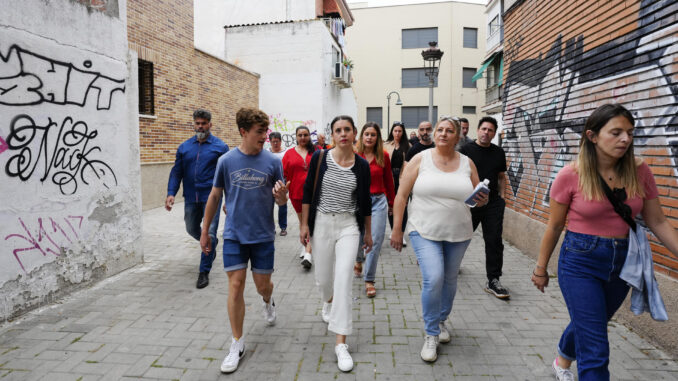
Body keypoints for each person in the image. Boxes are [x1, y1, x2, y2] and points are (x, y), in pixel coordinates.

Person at [531, 103, 678, 381]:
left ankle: (563, 356)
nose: (626, 139)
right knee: (596, 346)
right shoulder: (569, 175)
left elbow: (658, 221)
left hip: (623, 262)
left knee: (592, 324)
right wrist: (541, 268)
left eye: (630, 132)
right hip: (580, 261)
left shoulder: (640, 171)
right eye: (617, 132)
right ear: (592, 135)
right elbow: (554, 225)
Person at [390, 117, 487, 362]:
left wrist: (482, 199)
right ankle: (431, 332)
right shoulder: (419, 160)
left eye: (449, 130)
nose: (443, 134)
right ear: (434, 134)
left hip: (459, 232)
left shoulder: (467, 163)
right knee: (434, 278)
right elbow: (401, 196)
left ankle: (442, 320)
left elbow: (476, 197)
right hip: (423, 230)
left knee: (450, 280)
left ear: (458, 137)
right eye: (440, 129)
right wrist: (397, 229)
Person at [200, 108, 288, 374]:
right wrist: (206, 231)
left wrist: (282, 196)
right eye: (259, 132)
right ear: (243, 132)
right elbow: (215, 196)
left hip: (262, 236)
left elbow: (281, 199)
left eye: (265, 131)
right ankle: (237, 342)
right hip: (234, 235)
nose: (265, 136)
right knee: (236, 285)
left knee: (263, 286)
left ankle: (268, 301)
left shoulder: (273, 162)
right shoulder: (226, 161)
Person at [300, 115, 373, 372]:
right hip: (321, 223)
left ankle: (341, 342)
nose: (343, 133)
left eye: (347, 129)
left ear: (354, 134)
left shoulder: (362, 166)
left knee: (344, 280)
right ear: (333, 134)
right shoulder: (320, 159)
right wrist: (304, 224)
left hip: (348, 227)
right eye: (338, 130)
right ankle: (327, 300)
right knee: (322, 279)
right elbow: (308, 192)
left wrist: (368, 233)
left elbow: (365, 202)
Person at [166, 109, 228, 289]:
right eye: (197, 123)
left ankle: (203, 271)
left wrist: (228, 200)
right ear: (193, 124)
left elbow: (226, 175)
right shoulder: (184, 147)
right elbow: (176, 172)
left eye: (204, 123)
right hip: (191, 197)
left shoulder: (220, 147)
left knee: (209, 232)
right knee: (191, 228)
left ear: (210, 124)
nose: (200, 126)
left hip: (212, 198)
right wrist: (171, 192)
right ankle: (211, 246)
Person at [459, 116, 509, 299]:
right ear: (478, 130)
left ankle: (493, 280)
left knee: (494, 240)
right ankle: (451, 265)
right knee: (460, 236)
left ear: (494, 133)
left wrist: (502, 198)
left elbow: (502, 176)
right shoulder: (465, 150)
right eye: (483, 129)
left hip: (492, 203)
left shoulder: (498, 152)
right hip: (470, 202)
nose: (486, 133)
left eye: (490, 130)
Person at [354, 122, 395, 297]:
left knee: (375, 240)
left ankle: (369, 280)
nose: (369, 137)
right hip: (357, 201)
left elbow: (389, 181)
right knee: (357, 236)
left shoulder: (383, 156)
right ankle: (358, 259)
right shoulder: (355, 155)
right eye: (367, 134)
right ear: (362, 136)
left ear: (377, 137)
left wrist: (392, 203)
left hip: (378, 201)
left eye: (373, 134)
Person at [282, 126, 315, 269]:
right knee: (303, 223)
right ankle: (306, 244)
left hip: (314, 194)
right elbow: (283, 174)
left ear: (309, 136)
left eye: (305, 135)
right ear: (296, 137)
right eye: (300, 135)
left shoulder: (316, 152)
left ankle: (308, 253)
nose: (303, 137)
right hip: (296, 194)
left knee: (312, 222)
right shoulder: (289, 154)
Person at [384, 122, 410, 247]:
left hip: (403, 178)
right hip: (390, 178)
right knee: (391, 205)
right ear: (392, 132)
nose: (397, 133)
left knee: (403, 205)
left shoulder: (408, 146)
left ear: (403, 132)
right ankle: (394, 230)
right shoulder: (386, 145)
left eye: (400, 131)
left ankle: (401, 233)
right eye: (395, 131)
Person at [269, 132, 288, 236]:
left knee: (282, 205)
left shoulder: (285, 153)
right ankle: (271, 228)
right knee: (268, 205)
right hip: (269, 183)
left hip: (281, 182)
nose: (275, 143)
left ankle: (283, 227)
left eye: (277, 141)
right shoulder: (267, 153)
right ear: (270, 142)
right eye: (273, 142)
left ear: (280, 141)